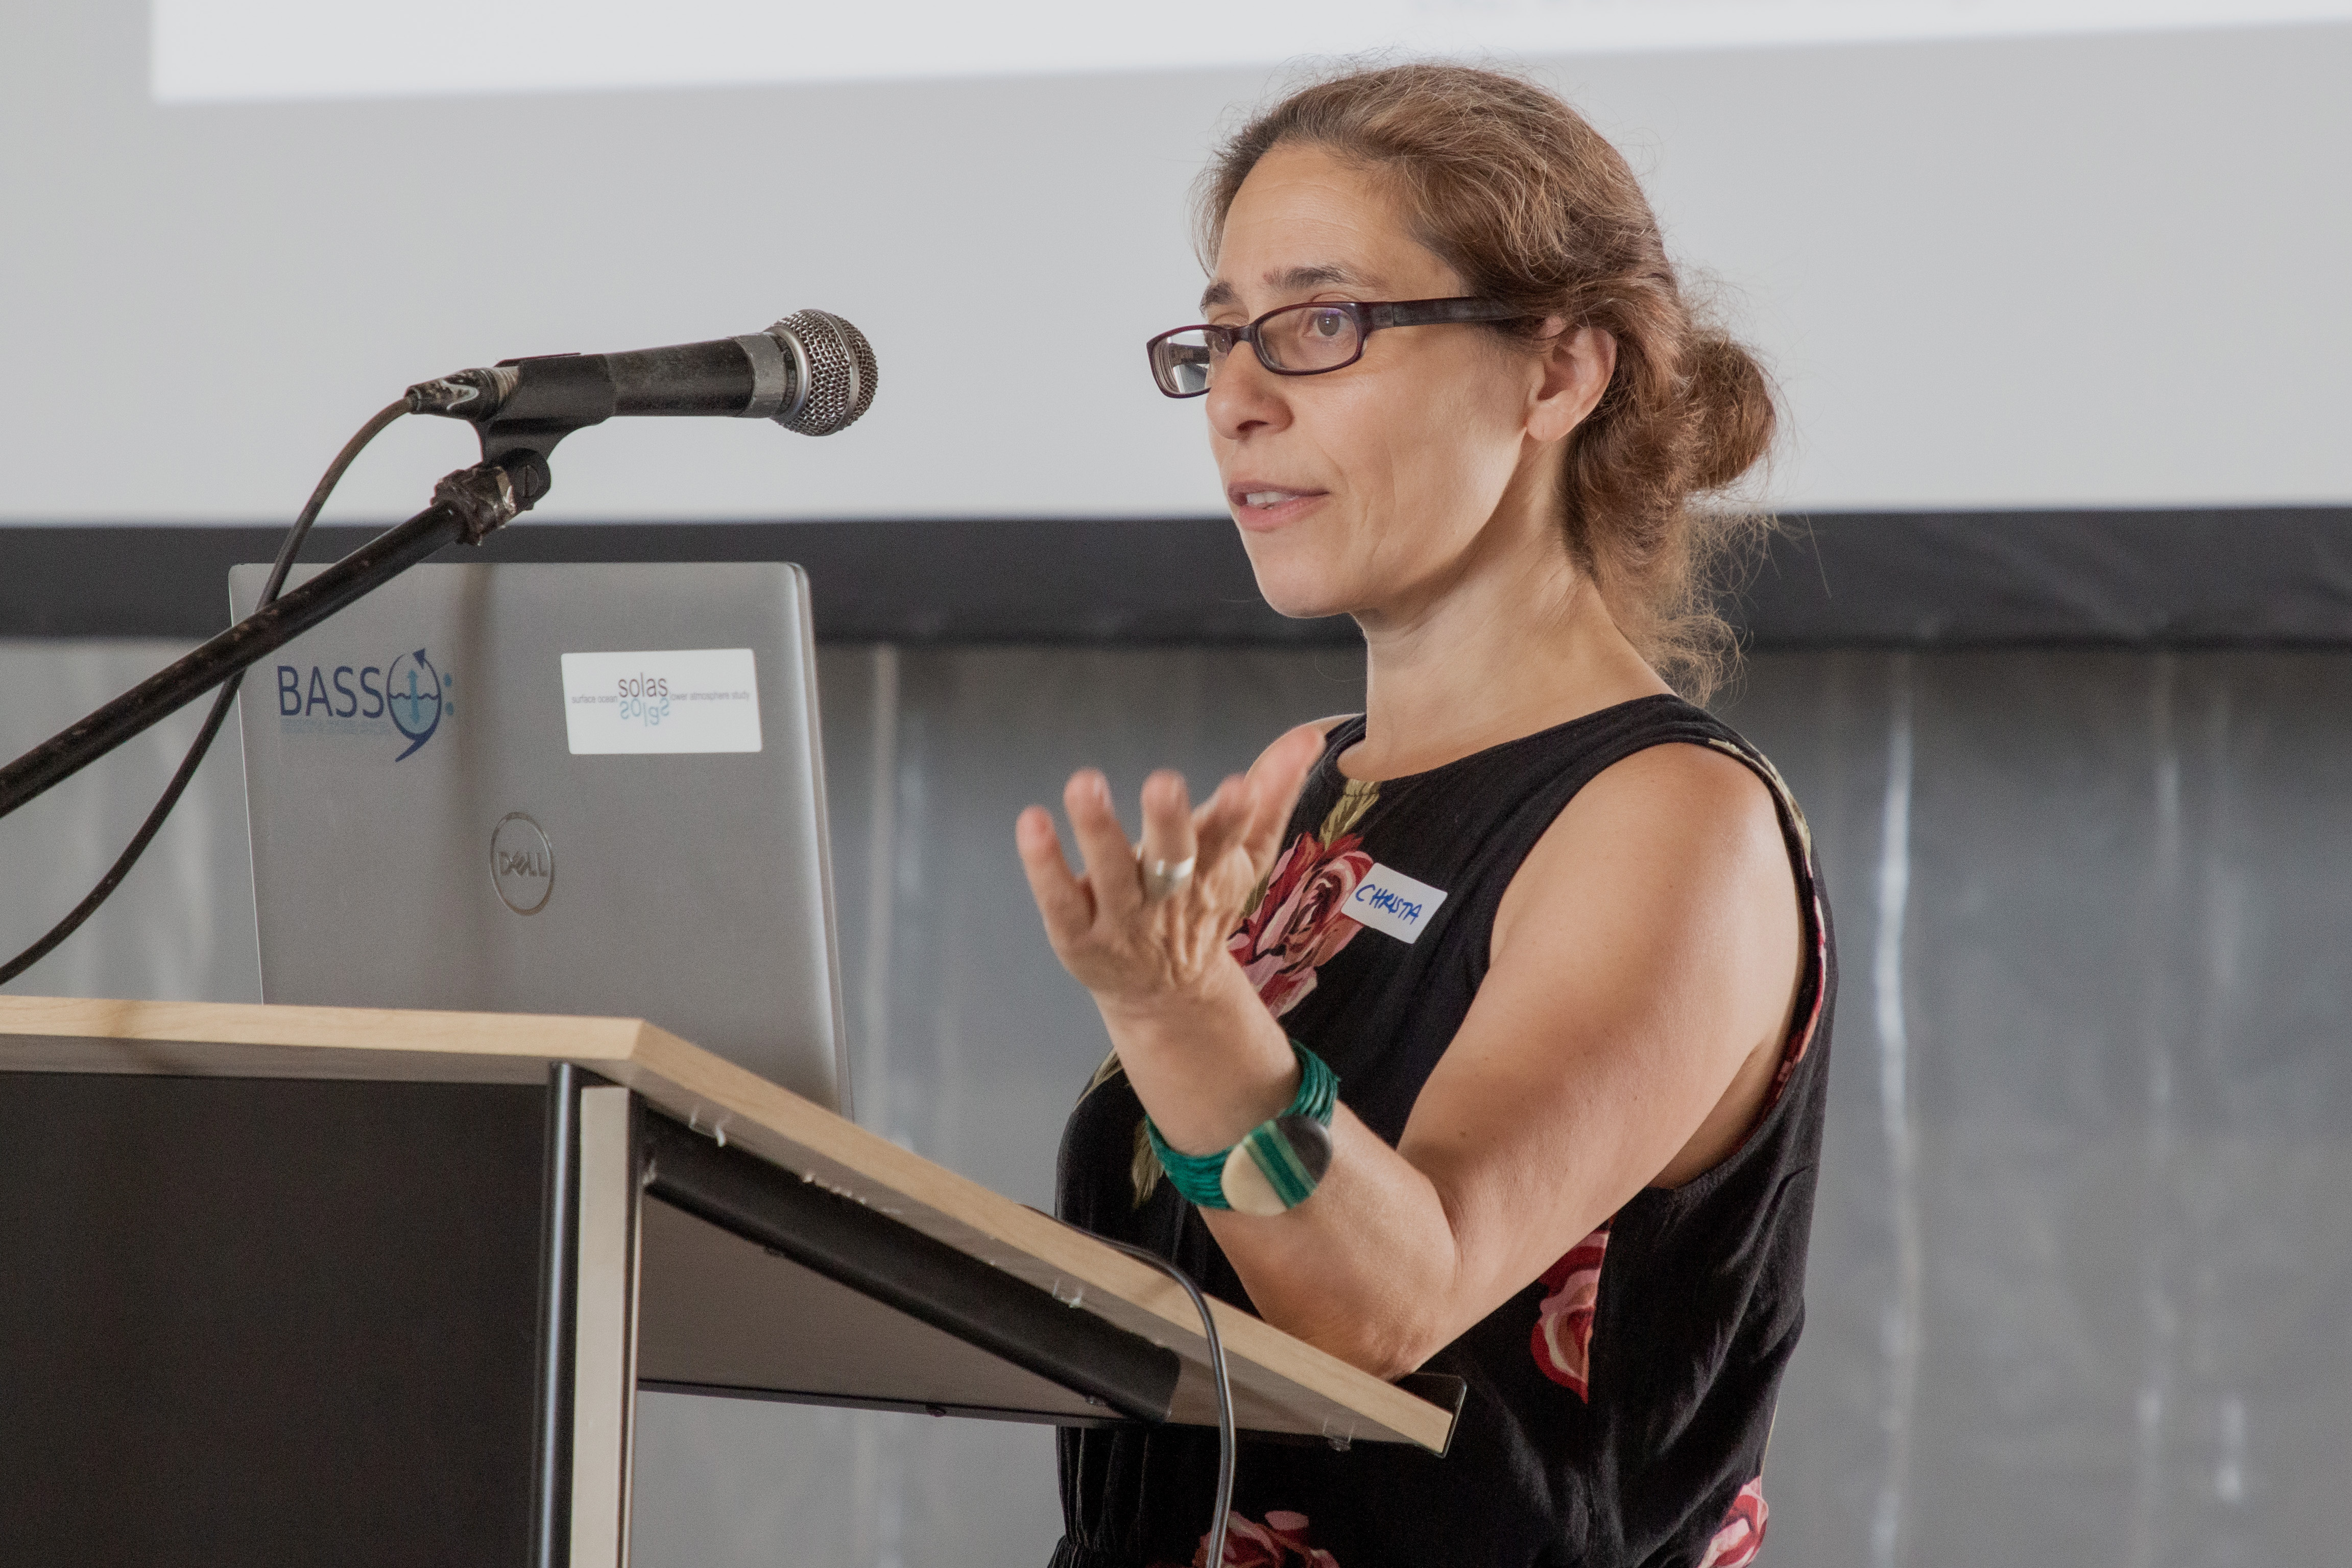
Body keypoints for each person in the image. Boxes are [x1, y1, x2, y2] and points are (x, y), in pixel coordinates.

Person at [1016, 63, 1832, 1568]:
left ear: (1556, 375)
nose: (1240, 401)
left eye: (1321, 325)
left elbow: (1384, 1305)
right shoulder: (1311, 779)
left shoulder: (1671, 822)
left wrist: (1184, 1014)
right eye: (1221, 337)